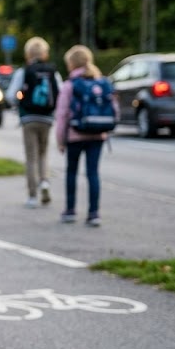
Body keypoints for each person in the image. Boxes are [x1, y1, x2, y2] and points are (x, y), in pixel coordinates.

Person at [54, 44, 117, 227]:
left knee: (72, 172)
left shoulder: (70, 85)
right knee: (93, 173)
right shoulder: (103, 83)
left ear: (71, 64)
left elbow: (62, 115)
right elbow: (115, 111)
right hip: (98, 135)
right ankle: (94, 213)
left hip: (75, 135)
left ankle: (70, 210)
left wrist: (60, 140)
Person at [5, 36, 63, 208]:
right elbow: (60, 93)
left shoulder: (24, 72)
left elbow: (10, 95)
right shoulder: (53, 72)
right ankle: (44, 181)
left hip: (28, 118)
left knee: (31, 157)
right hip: (47, 118)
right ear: (45, 53)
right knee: (43, 153)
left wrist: (20, 102)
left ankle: (32, 195)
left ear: (27, 54)